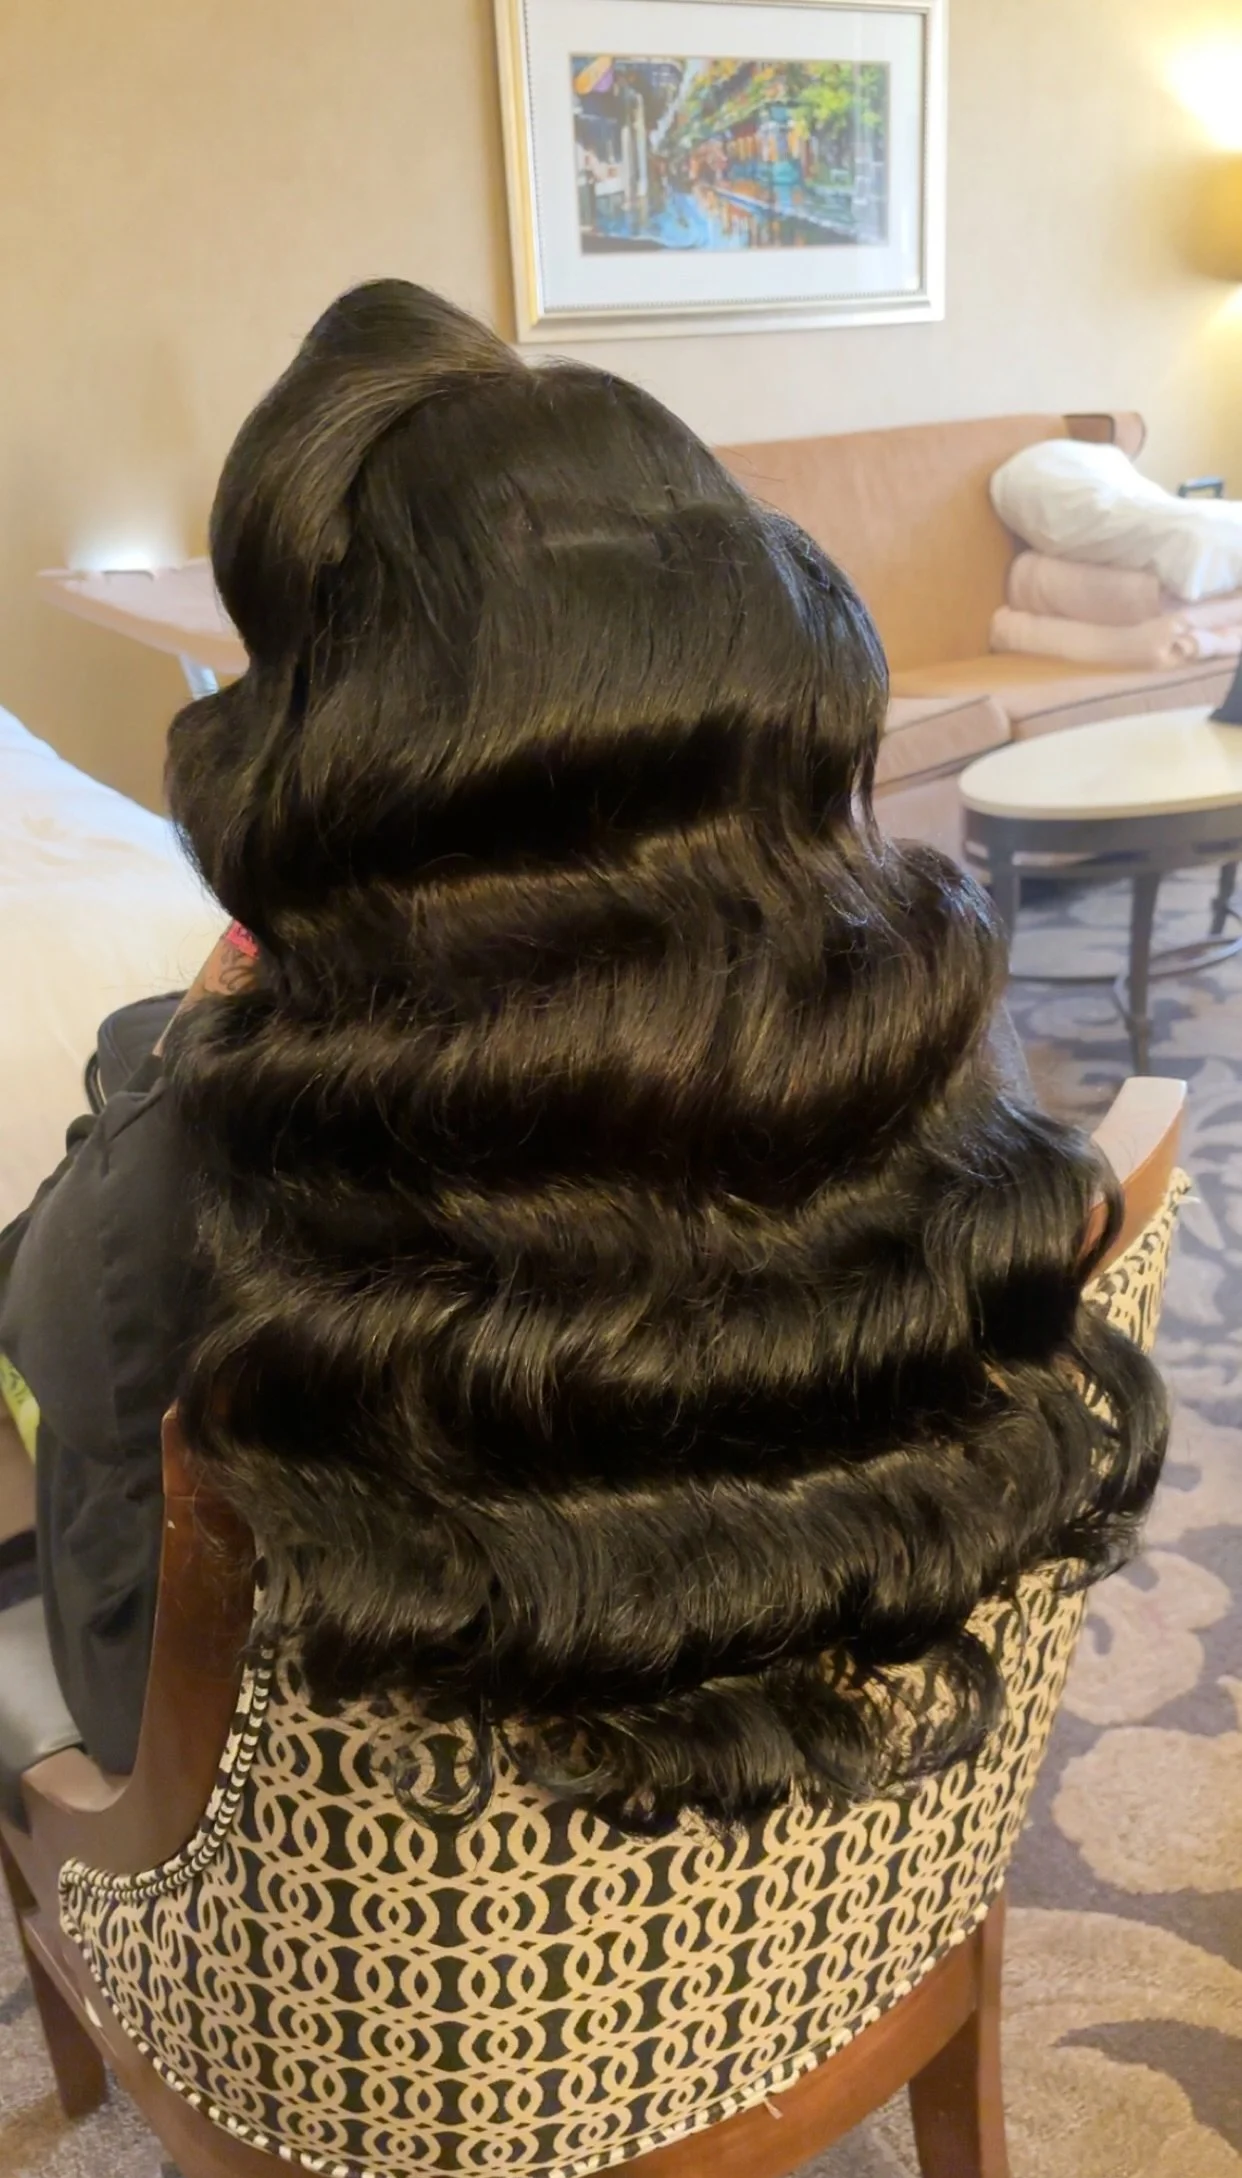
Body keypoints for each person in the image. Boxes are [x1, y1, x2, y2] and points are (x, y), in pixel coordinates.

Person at [0, 279, 1165, 1823]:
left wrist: (176, 1056)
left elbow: (64, 1352)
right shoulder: (909, 1031)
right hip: (836, 1781)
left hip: (364, 1885)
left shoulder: (213, 1160)